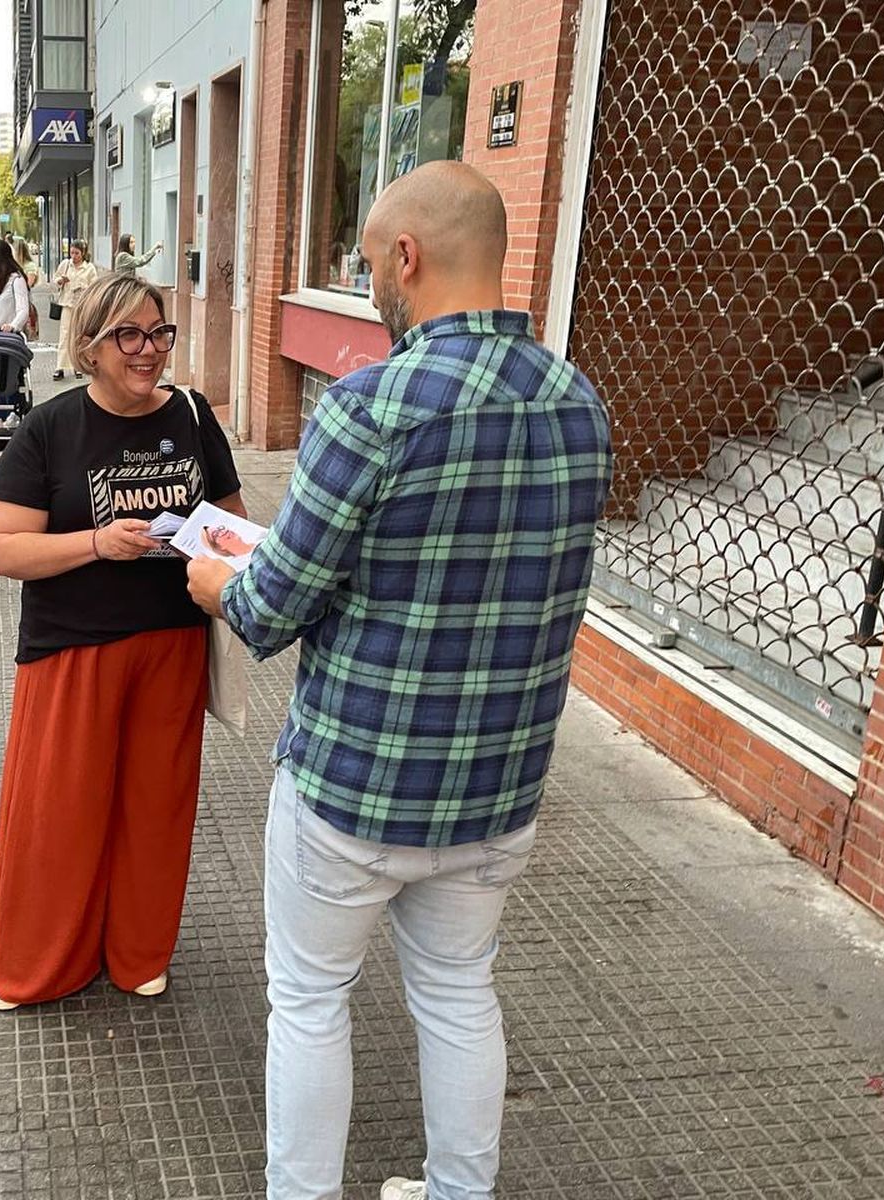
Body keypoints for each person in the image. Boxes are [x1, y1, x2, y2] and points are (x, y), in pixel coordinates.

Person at [185, 162, 614, 1200]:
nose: (371, 281)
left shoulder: (369, 406)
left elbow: (271, 610)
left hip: (356, 788)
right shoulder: (578, 401)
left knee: (309, 1003)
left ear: (407, 258)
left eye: (373, 261)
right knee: (460, 994)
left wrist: (217, 579)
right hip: (498, 789)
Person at [0, 272, 245, 1011]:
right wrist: (97, 542)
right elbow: (3, 549)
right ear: (90, 346)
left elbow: (232, 521)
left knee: (156, 808)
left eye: (158, 333)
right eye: (128, 335)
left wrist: (220, 551)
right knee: (58, 812)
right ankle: (39, 963)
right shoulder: (50, 427)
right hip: (74, 648)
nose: (148, 350)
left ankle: (138, 950)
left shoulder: (191, 414)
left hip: (173, 642)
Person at [0, 239, 32, 420]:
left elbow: (23, 310)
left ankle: (11, 413)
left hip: (7, 339)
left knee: (7, 375)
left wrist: (13, 326)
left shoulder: (16, 280)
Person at [51, 240, 97, 380]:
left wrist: (85, 289)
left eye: (77, 253)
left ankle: (77, 366)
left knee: (78, 335)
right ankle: (60, 367)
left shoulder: (89, 268)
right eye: (72, 253)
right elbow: (55, 279)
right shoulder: (66, 264)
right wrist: (61, 281)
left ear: (83, 253)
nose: (74, 256)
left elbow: (94, 286)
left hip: (81, 306)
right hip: (67, 304)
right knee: (64, 335)